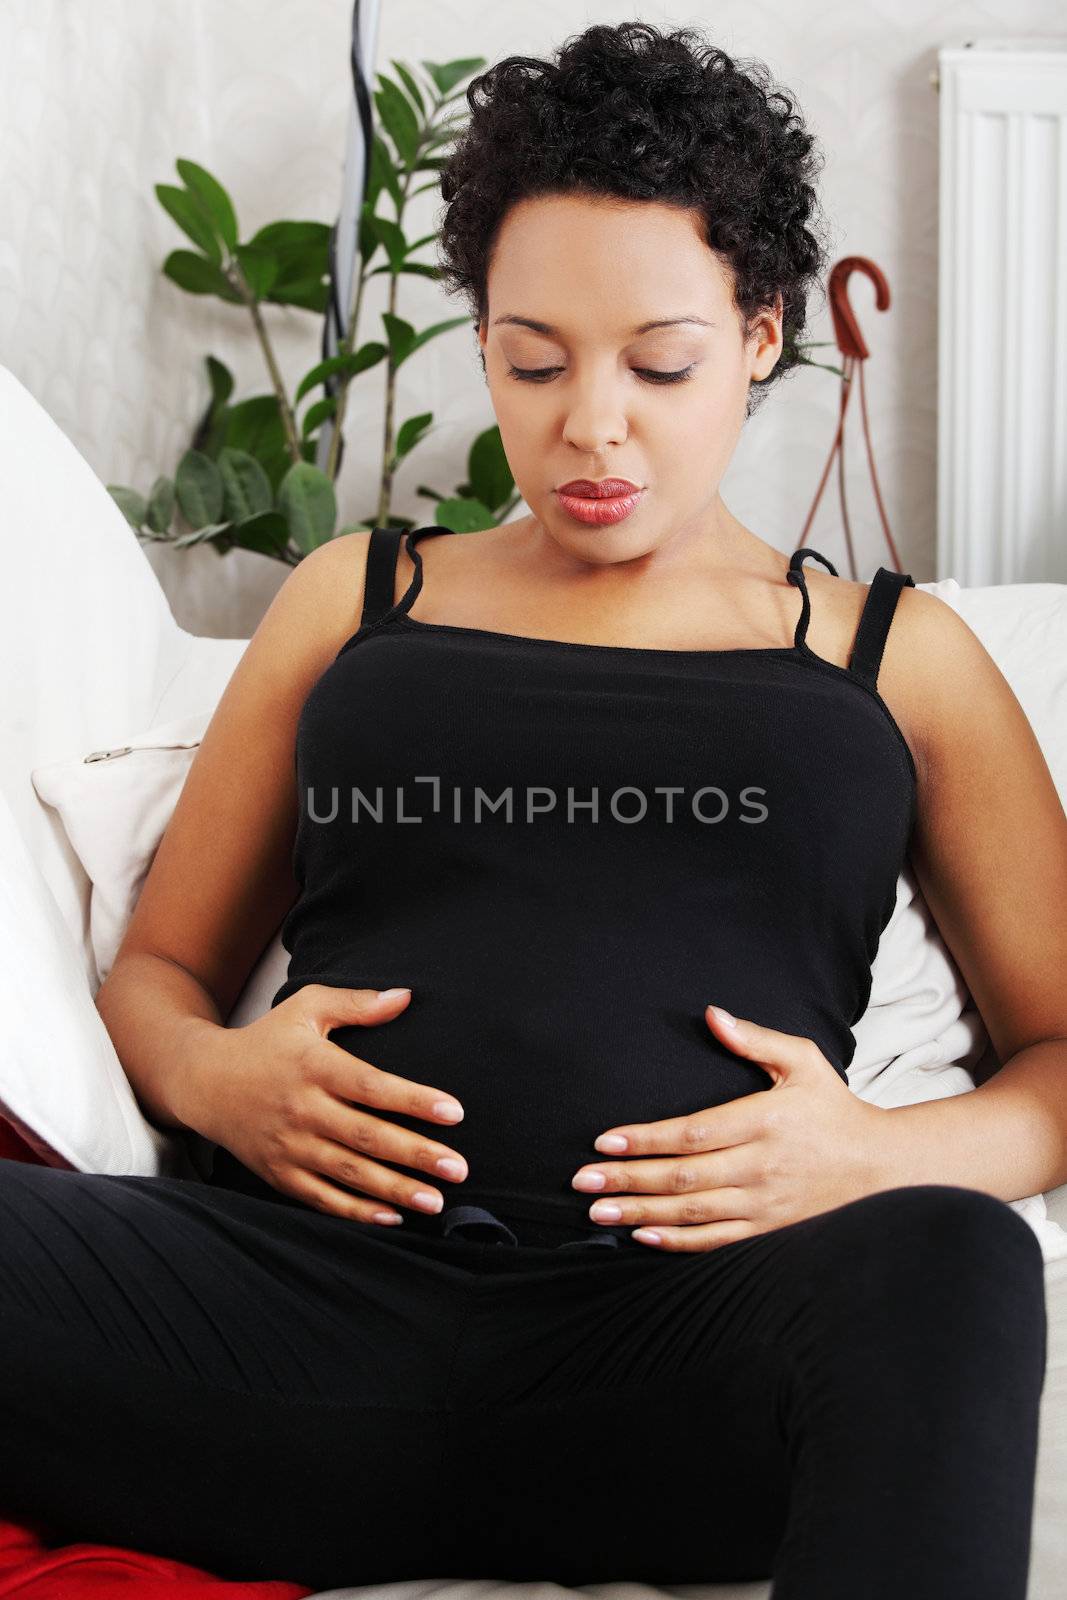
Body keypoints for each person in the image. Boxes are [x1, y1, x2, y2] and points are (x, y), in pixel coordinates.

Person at [1, 19, 1062, 1599]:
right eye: (534, 358)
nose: (593, 427)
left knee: (957, 1260)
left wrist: (869, 1153)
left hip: (677, 1359)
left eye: (662, 362)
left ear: (763, 334)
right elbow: (152, 980)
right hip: (300, 1328)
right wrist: (223, 1083)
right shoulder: (350, 601)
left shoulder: (900, 661)